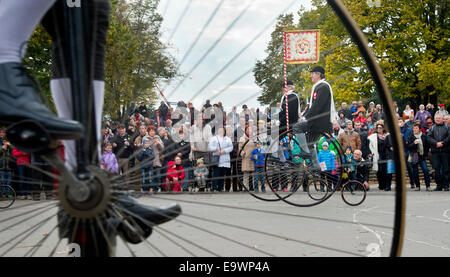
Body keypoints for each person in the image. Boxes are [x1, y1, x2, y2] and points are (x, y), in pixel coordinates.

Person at [292, 66, 337, 164]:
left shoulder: (323, 86)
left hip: (320, 122)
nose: (311, 75)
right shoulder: (319, 86)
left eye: (312, 73)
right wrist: (304, 115)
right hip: (318, 121)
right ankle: (316, 167)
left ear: (319, 74)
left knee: (296, 128)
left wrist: (305, 118)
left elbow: (317, 106)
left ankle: (305, 152)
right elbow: (312, 106)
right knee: (309, 143)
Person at [426, 114, 450, 191]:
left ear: (443, 119)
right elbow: (428, 137)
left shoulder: (447, 127)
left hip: (445, 151)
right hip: (435, 152)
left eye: (439, 118)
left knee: (446, 169)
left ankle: (446, 185)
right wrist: (436, 143)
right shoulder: (432, 128)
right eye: (436, 118)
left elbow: (449, 137)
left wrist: (442, 143)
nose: (438, 119)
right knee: (436, 169)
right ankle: (439, 185)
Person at [368, 122, 392, 191]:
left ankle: (386, 185)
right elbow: (370, 145)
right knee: (380, 170)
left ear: (383, 128)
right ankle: (381, 184)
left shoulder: (387, 136)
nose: (379, 129)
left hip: (387, 155)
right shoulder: (374, 136)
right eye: (377, 128)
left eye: (380, 128)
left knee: (386, 170)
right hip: (378, 155)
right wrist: (372, 152)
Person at [407, 124, 431, 191]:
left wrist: (425, 154)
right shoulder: (411, 136)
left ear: (419, 129)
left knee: (425, 170)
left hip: (422, 155)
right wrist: (413, 143)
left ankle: (428, 186)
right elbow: (408, 146)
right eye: (414, 128)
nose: (415, 129)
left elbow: (427, 146)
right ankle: (417, 186)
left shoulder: (423, 136)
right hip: (414, 155)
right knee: (415, 171)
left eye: (416, 128)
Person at [208, 127, 233, 192]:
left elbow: (231, 147)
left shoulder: (228, 139)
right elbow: (209, 147)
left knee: (222, 174)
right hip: (217, 158)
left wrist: (224, 151)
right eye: (220, 130)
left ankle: (221, 188)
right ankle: (214, 188)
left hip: (225, 158)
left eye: (222, 130)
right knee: (216, 174)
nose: (221, 131)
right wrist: (216, 150)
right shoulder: (214, 138)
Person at [239, 127, 255, 192]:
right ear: (245, 130)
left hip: (254, 157)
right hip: (246, 157)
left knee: (254, 174)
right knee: (246, 174)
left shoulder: (255, 137)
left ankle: (254, 187)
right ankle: (245, 187)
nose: (249, 131)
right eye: (248, 129)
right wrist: (243, 153)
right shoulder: (242, 138)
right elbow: (240, 148)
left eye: (250, 129)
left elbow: (258, 145)